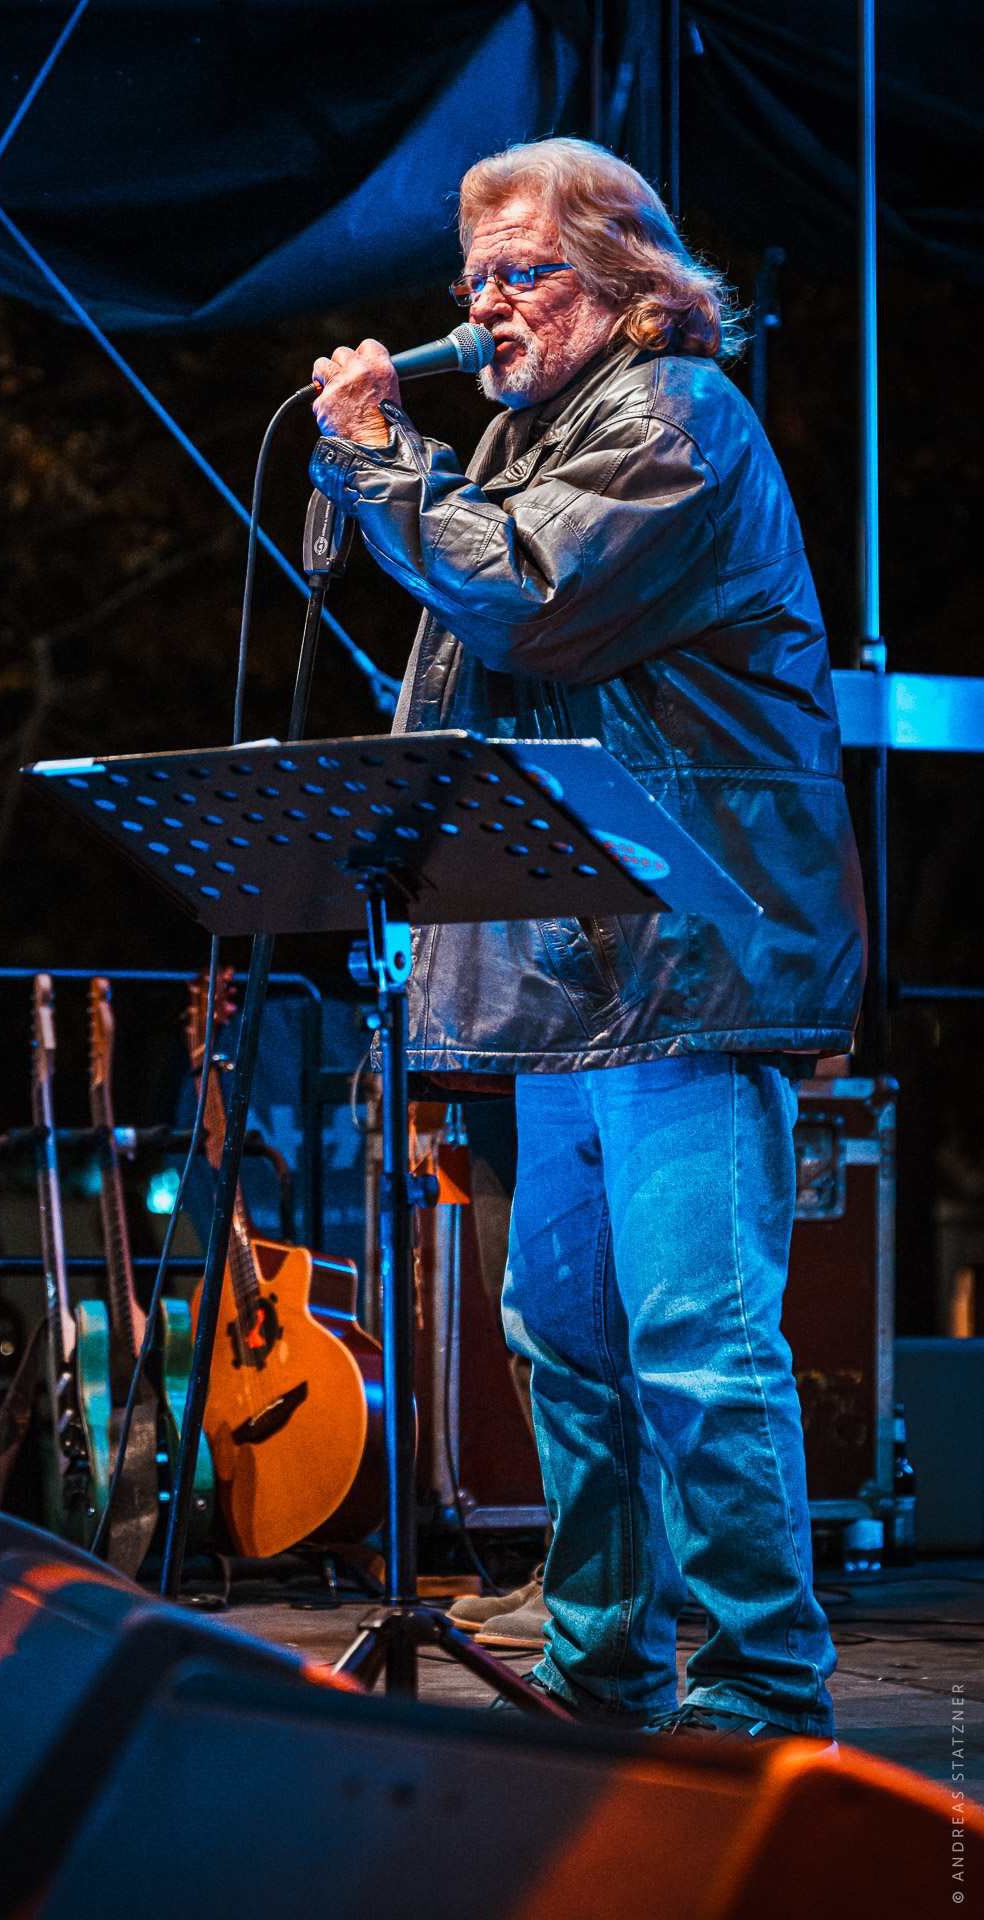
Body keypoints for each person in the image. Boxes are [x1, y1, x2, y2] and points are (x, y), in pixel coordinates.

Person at [308, 137, 865, 1744]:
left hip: (687, 960)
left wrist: (383, 458)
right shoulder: (517, 439)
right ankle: (606, 1663)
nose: (486, 303)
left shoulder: (680, 416)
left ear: (626, 288)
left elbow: (532, 598)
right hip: (558, 972)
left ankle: (763, 1686)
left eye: (524, 271)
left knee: (696, 1343)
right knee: (564, 1342)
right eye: (472, 274)